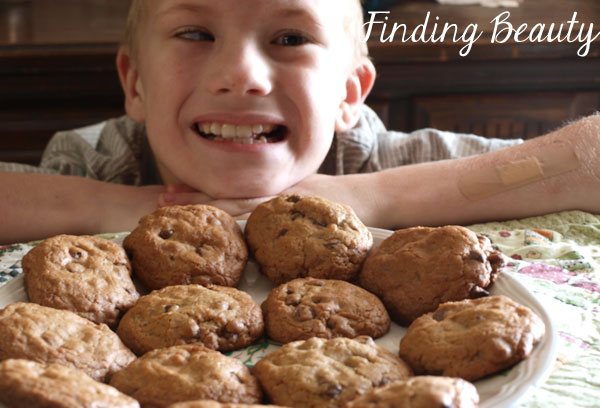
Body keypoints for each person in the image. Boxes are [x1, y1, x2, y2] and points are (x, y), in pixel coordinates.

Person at [1, 0, 599, 244]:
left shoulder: (398, 161)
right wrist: (120, 208)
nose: (241, 76)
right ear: (135, 83)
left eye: (290, 37)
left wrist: (367, 198)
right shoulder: (94, 161)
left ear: (349, 93)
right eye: (194, 33)